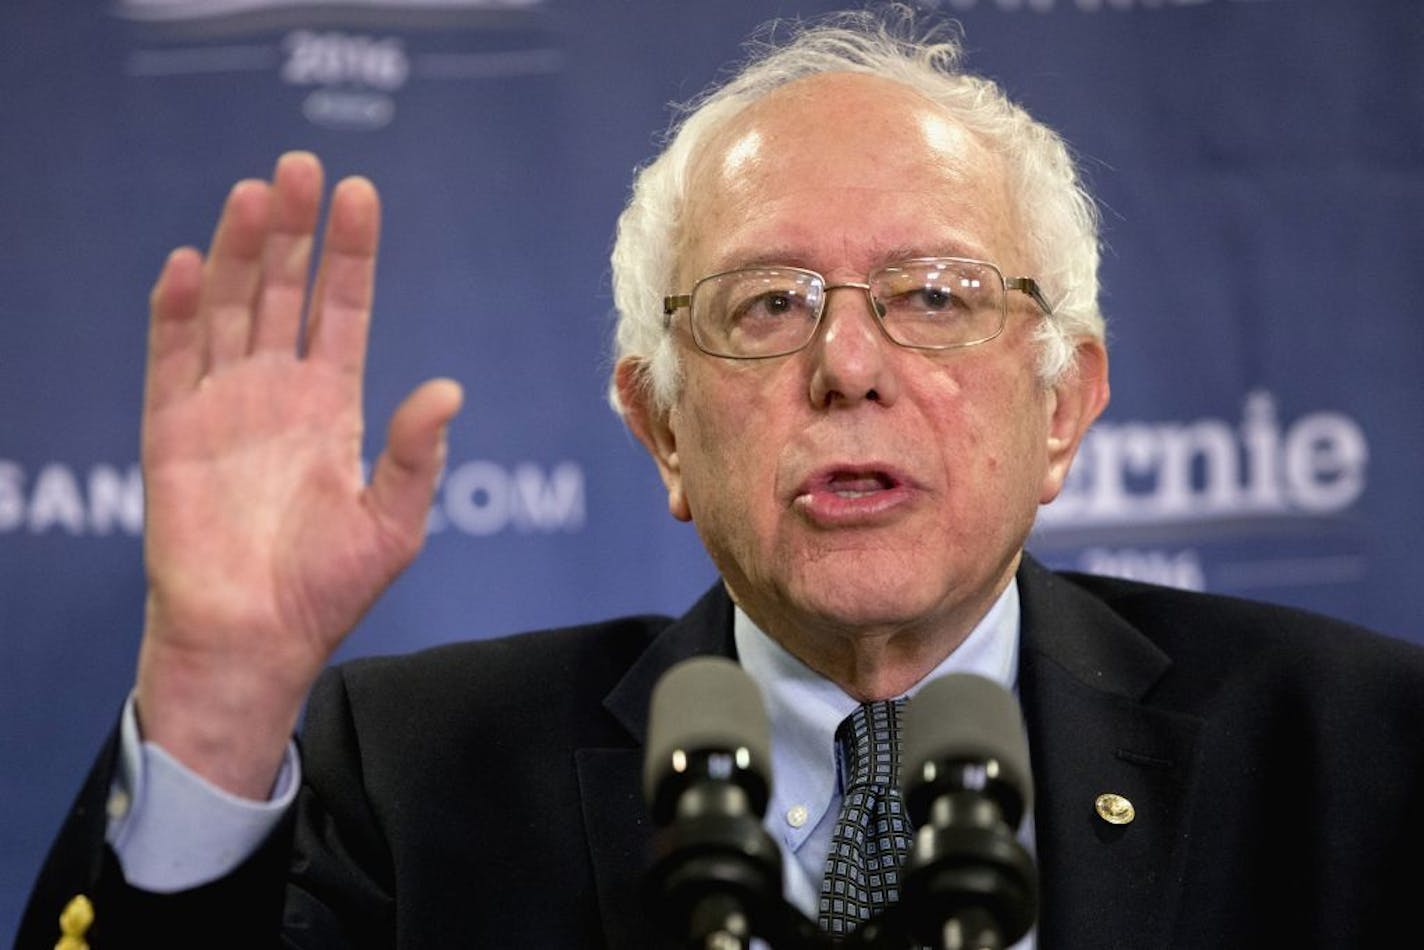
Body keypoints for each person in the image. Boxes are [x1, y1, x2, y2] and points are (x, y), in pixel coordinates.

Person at [18, 8, 1424, 949]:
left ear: (1065, 405)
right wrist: (212, 711)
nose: (850, 365)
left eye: (935, 296)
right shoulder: (413, 779)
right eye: (767, 306)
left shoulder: (1358, 754)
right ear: (662, 428)